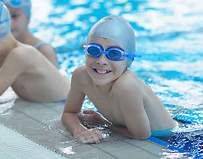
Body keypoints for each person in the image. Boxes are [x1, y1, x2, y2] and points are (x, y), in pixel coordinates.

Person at [62, 15, 177, 143]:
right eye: (94, 50)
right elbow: (69, 113)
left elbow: (141, 135)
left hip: (169, 137)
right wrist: (79, 130)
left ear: (128, 60)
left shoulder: (125, 86)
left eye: (114, 54)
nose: (101, 61)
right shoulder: (81, 76)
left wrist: (103, 123)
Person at [0, 0, 58, 68]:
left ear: (28, 18)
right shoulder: (1, 49)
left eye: (15, 16)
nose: (9, 23)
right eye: (5, 17)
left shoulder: (44, 51)